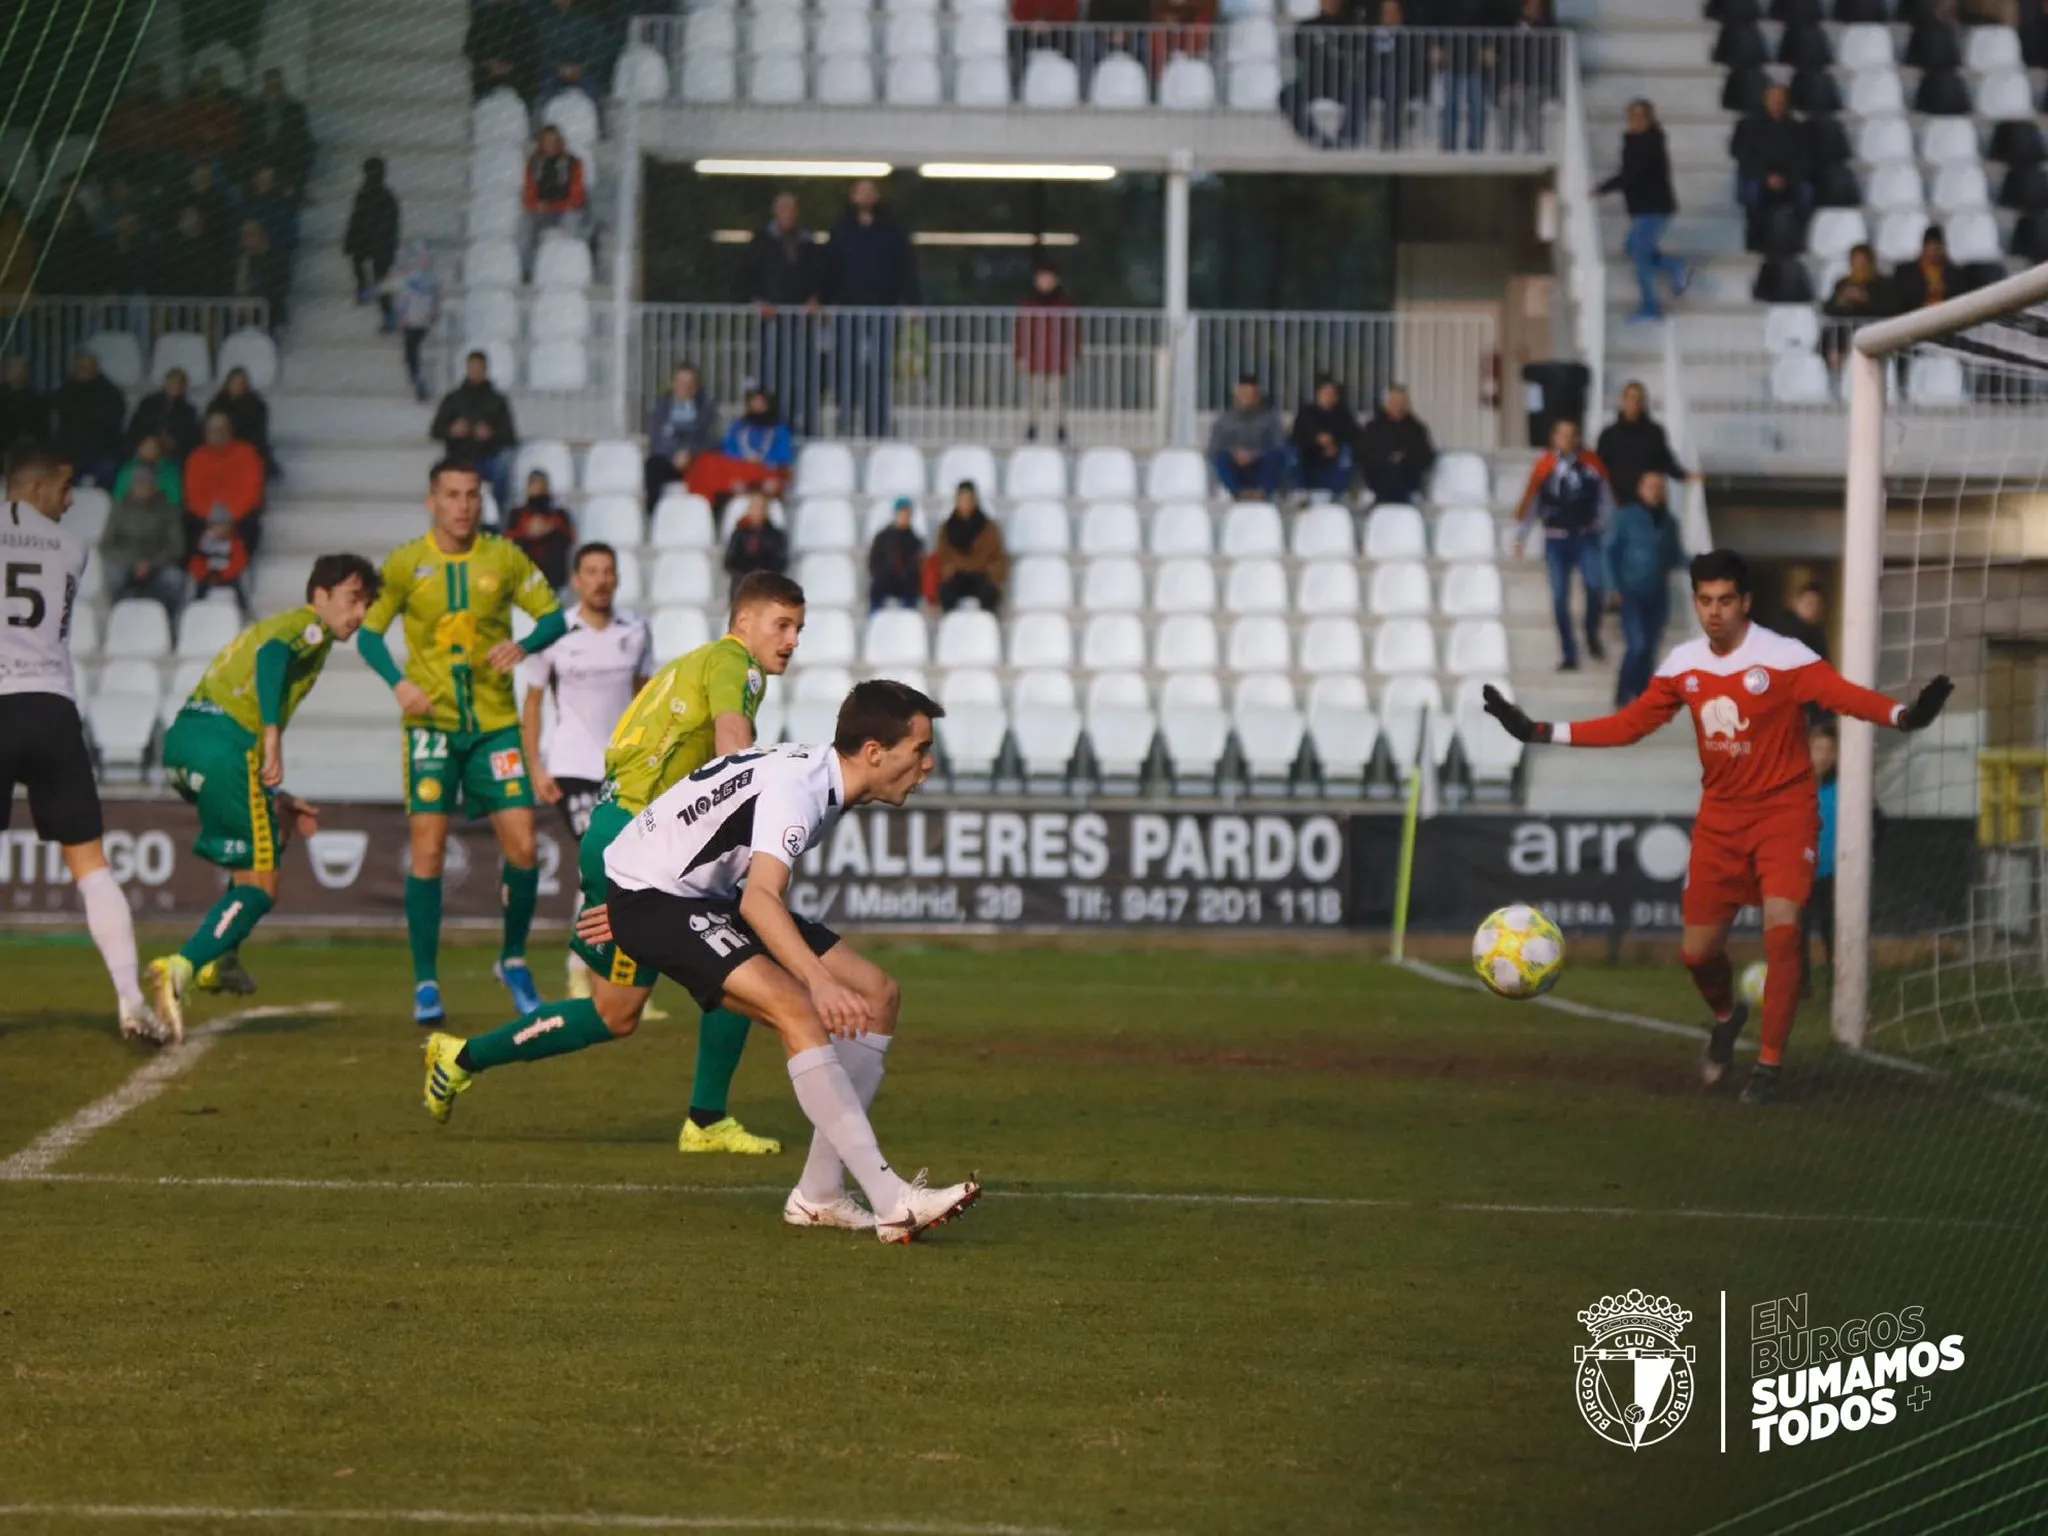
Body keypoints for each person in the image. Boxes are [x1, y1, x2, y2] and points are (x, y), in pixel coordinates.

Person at [440, 681, 983, 1242]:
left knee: (878, 994)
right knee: (796, 1005)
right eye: (919, 749)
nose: (928, 763)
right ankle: (891, 1199)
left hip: (680, 890)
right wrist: (816, 981)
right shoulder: (800, 790)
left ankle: (819, 1194)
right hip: (663, 897)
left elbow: (709, 830)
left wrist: (629, 887)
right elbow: (760, 899)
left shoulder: (816, 775)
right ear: (874, 752)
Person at [1481, 549, 1953, 1104]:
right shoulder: (1683, 664)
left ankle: (1770, 1066)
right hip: (1721, 821)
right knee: (1698, 954)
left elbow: (1842, 696)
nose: (1714, 612)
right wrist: (1537, 730)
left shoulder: (1783, 656)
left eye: (1725, 600)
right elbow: (1629, 725)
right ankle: (1728, 1018)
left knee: (1782, 929)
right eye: (1704, 600)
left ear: (1745, 603)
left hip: (1786, 813)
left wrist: (1905, 716)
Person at [422, 572, 809, 1160]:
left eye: (799, 629)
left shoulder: (694, 664)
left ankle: (460, 1056)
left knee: (616, 1012)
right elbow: (733, 738)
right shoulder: (738, 666)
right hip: (641, 848)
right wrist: (754, 815)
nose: (792, 640)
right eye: (782, 625)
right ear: (744, 622)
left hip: (620, 833)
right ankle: (708, 1117)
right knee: (743, 955)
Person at [356, 461, 569, 1026]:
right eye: (452, 495)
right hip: (430, 728)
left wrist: (522, 645)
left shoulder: (504, 557)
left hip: (495, 725)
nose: (463, 505)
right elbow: (370, 635)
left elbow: (553, 618)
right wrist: (398, 683)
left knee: (523, 847)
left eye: (472, 495)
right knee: (427, 852)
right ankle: (426, 979)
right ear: (433, 502)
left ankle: (513, 958)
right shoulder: (405, 564)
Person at [143, 555, 382, 1037]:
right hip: (226, 747)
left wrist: (279, 791)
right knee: (260, 887)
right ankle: (184, 965)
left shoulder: (288, 627)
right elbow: (272, 657)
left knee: (278, 824)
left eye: (368, 604)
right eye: (354, 599)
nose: (360, 614)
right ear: (321, 595)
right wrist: (272, 733)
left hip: (188, 743)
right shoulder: (307, 628)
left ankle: (221, 958)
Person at [0, 442, 168, 1042]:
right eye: (65, 487)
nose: (72, 500)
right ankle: (129, 1002)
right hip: (50, 707)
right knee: (91, 867)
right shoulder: (73, 550)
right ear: (38, 487)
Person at [516, 542, 652, 999]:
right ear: (577, 580)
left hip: (624, 769)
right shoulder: (554, 633)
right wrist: (535, 765)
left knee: (623, 870)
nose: (600, 579)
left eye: (607, 571)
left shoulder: (636, 630)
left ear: (616, 577)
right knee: (602, 864)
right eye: (591, 571)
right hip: (572, 767)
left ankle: (612, 978)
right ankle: (584, 971)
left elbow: (646, 697)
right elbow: (532, 704)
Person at [823, 179, 920, 438]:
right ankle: (845, 422)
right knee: (846, 367)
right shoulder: (842, 228)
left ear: (877, 196)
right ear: (853, 196)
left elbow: (906, 267)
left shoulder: (892, 229)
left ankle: (877, 423)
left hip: (883, 309)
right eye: (860, 192)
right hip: (847, 311)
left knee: (880, 368)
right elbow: (830, 267)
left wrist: (912, 303)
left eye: (870, 192)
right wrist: (825, 301)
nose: (865, 197)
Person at [1515, 417, 1613, 671]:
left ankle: (1592, 632)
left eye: (1572, 434)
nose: (1568, 440)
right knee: (1559, 598)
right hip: (1556, 540)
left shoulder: (1592, 465)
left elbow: (1606, 500)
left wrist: (1604, 528)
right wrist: (1521, 536)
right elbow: (1533, 502)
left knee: (1595, 587)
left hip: (1586, 536)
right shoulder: (1545, 465)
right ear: (1554, 438)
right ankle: (1569, 652)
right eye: (1562, 434)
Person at [1601, 469, 1686, 707]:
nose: (1656, 492)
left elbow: (1676, 555)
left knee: (1651, 646)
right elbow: (1609, 552)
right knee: (1636, 645)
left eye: (1660, 487)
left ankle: (1642, 696)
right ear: (1641, 489)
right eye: (1651, 486)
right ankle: (1622, 694)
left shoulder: (1669, 522)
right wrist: (1612, 587)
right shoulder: (1625, 517)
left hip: (1658, 592)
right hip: (1631, 591)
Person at [742, 193, 824, 437]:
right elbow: (747, 275)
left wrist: (815, 298)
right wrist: (759, 301)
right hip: (771, 320)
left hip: (803, 321)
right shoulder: (761, 240)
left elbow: (821, 275)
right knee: (771, 375)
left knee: (805, 375)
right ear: (775, 212)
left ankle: (806, 429)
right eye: (783, 209)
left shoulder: (808, 241)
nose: (787, 214)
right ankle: (772, 427)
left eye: (791, 209)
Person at [1599, 99, 1688, 323]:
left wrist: (1603, 188)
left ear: (1649, 118)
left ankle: (1651, 307)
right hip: (1642, 207)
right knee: (1633, 248)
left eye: (1640, 116)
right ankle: (1675, 266)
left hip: (1654, 206)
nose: (1635, 121)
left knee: (1640, 257)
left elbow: (1632, 174)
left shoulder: (1651, 142)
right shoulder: (1631, 140)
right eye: (1632, 116)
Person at [102, 441, 188, 616]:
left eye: (147, 483)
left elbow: (176, 546)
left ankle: (169, 624)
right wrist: (134, 562)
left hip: (158, 565)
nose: (143, 488)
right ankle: (118, 618)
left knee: (174, 579)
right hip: (127, 564)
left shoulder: (168, 509)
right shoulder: (120, 509)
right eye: (139, 483)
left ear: (154, 485)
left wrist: (150, 563)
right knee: (113, 575)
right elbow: (107, 545)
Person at [431, 351, 520, 514]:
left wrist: (490, 435)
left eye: (479, 368)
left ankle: (504, 522)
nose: (475, 371)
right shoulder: (453, 399)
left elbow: (510, 436)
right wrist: (452, 431)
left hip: (488, 458)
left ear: (485, 370)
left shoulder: (497, 400)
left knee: (503, 468)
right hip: (459, 459)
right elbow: (436, 430)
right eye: (472, 368)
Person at [1731, 84, 1814, 251]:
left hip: (1789, 180)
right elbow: (1740, 154)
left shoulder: (1799, 129)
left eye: (1781, 101)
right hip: (1758, 177)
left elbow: (1805, 159)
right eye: (1774, 101)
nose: (1777, 104)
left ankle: (1799, 242)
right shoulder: (1747, 125)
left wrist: (1786, 178)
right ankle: (1754, 242)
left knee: (1807, 192)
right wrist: (1766, 176)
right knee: (1752, 193)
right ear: (1765, 101)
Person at [1594, 381, 1691, 511]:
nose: (1634, 403)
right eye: (1630, 398)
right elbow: (1600, 469)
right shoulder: (1608, 435)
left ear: (1644, 403)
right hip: (1618, 505)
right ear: (1622, 401)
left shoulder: (1655, 432)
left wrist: (1685, 476)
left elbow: (1666, 461)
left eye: (1639, 399)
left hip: (1650, 504)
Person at [184, 410, 267, 558]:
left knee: (251, 526)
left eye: (221, 430)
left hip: (238, 518)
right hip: (206, 518)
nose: (217, 434)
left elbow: (251, 492)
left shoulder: (247, 454)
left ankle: (237, 574)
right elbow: (193, 494)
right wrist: (213, 521)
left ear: (230, 431)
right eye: (212, 430)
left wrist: (228, 521)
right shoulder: (196, 457)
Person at [1016, 260, 1079, 444]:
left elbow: (1073, 331)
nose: (1045, 282)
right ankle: (1032, 427)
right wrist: (1020, 354)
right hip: (1035, 358)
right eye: (1042, 279)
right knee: (1034, 395)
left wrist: (1074, 354)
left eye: (1049, 279)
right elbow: (1021, 331)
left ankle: (1060, 428)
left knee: (1057, 395)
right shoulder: (1029, 304)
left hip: (1056, 358)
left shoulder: (1064, 303)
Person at [642, 364, 720, 506]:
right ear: (673, 384)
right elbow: (656, 440)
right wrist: (674, 455)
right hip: (668, 460)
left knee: (713, 467)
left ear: (696, 386)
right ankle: (653, 514)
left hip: (695, 460)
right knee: (653, 466)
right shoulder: (661, 409)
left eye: (690, 383)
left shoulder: (706, 410)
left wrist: (690, 453)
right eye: (681, 383)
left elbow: (712, 440)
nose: (685, 387)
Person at [519, 125, 589, 278]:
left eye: (553, 140)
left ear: (559, 141)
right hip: (541, 211)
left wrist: (554, 205)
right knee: (524, 224)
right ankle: (528, 272)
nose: (549, 144)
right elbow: (528, 192)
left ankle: (569, 269)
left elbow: (577, 196)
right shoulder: (534, 163)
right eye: (546, 140)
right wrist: (536, 205)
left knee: (572, 219)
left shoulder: (573, 163)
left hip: (564, 210)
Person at [52, 352, 126, 488]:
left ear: (96, 368)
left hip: (101, 451)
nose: (83, 371)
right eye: (80, 367)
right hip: (70, 451)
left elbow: (111, 427)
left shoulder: (111, 393)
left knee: (108, 468)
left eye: (87, 367)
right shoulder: (67, 389)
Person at [1803, 720, 1839, 998]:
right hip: (1797, 873)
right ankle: (1800, 987)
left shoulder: (1847, 788)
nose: (1823, 755)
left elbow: (1876, 821)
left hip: (1833, 874)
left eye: (1829, 749)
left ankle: (1841, 985)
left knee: (1833, 930)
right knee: (1794, 932)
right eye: (1818, 748)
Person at [1207, 374, 1287, 498]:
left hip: (1261, 466)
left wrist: (1256, 454)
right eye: (1243, 395)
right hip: (1235, 467)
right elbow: (1213, 450)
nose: (1247, 399)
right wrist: (1234, 453)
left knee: (1275, 457)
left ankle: (1262, 492)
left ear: (1258, 397)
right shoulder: (1223, 421)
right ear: (1236, 396)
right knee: (1220, 458)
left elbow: (1280, 446)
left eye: (1251, 395)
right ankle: (1238, 493)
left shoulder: (1271, 420)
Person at [1357, 383, 1438, 504]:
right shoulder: (1373, 427)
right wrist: (1387, 459)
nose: (1397, 405)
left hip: (1407, 480)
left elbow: (1427, 457)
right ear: (1387, 403)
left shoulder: (1416, 428)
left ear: (1407, 403)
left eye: (1401, 401)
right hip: (1378, 479)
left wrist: (1405, 457)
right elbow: (1361, 453)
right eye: (1394, 401)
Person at [345, 157, 400, 328]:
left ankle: (389, 315)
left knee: (381, 279)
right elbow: (356, 218)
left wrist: (386, 244)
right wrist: (351, 238)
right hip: (368, 239)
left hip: (382, 243)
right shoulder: (363, 195)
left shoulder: (386, 197)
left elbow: (391, 224)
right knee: (358, 262)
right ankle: (363, 288)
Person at [1821, 244, 1893, 373]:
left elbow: (1888, 309)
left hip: (1871, 331)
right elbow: (1828, 309)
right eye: (1856, 262)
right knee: (1832, 330)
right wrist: (1841, 301)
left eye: (1863, 263)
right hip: (1845, 335)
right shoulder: (1843, 283)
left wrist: (1865, 300)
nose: (1859, 267)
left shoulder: (1882, 284)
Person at [242, 69, 314, 196]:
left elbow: (298, 138)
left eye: (277, 84)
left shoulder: (294, 109)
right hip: (258, 160)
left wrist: (277, 168)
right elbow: (249, 138)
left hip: (283, 161)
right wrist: (259, 166)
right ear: (265, 85)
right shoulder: (253, 109)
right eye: (270, 84)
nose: (274, 88)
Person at [713, 388, 795, 498]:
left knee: (773, 485)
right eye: (755, 402)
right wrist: (745, 459)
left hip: (769, 472)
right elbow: (728, 450)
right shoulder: (738, 427)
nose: (758, 406)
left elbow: (786, 454)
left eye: (762, 403)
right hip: (742, 471)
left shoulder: (780, 428)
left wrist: (764, 460)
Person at [389, 241, 442, 404]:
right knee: (412, 354)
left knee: (413, 354)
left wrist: (433, 313)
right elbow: (401, 299)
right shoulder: (413, 278)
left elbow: (434, 299)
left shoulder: (427, 279)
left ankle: (422, 384)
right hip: (414, 321)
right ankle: (420, 384)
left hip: (418, 321)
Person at [506, 469, 577, 588]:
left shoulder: (560, 514)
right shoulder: (517, 514)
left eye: (541, 484)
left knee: (558, 540)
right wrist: (528, 532)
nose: (538, 488)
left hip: (553, 577)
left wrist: (550, 527)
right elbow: (508, 538)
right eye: (534, 484)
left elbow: (571, 536)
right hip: (525, 576)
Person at [1290, 376, 1357, 498]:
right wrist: (1317, 441)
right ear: (1317, 395)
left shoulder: (1344, 416)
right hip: (1309, 455)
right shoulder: (1306, 414)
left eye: (1332, 394)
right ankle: (1300, 494)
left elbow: (1352, 436)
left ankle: (1338, 496)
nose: (1328, 397)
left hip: (1335, 457)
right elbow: (1296, 438)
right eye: (1325, 393)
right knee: (1293, 455)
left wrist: (1334, 445)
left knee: (1346, 455)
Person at [468, 0, 541, 101]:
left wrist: (511, 66)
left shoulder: (526, 16)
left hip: (519, 77)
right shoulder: (482, 13)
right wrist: (490, 65)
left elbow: (532, 48)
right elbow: (471, 47)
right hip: (488, 78)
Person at [126, 368, 203, 464]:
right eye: (173, 382)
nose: (176, 386)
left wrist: (173, 443)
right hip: (145, 448)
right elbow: (135, 428)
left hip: (173, 454)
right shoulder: (148, 404)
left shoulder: (189, 411)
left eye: (180, 384)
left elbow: (191, 439)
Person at [207, 367, 274, 474]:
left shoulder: (257, 406)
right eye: (235, 382)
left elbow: (258, 436)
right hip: (220, 451)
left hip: (248, 452)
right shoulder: (216, 404)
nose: (238, 386)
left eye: (242, 383)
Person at [188, 505, 252, 611]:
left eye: (224, 525)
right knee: (198, 589)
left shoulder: (235, 543)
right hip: (208, 577)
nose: (220, 529)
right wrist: (206, 575)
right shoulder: (204, 543)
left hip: (229, 577)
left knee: (240, 586)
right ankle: (195, 610)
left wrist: (222, 575)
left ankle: (244, 611)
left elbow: (239, 563)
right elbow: (197, 562)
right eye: (216, 526)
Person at [230, 219, 291, 328]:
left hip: (270, 316)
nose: (246, 239)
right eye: (244, 236)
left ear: (263, 235)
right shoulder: (240, 259)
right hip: (241, 317)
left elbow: (281, 289)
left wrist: (253, 303)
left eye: (251, 235)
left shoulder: (278, 258)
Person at [868, 497, 924, 611]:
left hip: (905, 581)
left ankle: (909, 615)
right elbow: (873, 562)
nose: (904, 516)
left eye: (907, 513)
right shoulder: (882, 537)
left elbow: (917, 565)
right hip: (885, 578)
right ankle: (874, 617)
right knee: (876, 586)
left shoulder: (915, 540)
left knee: (913, 585)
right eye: (902, 513)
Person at [1891, 225, 1960, 313]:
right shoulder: (1906, 273)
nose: (1933, 253)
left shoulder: (1954, 273)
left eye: (1937, 247)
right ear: (1924, 247)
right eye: (1930, 247)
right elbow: (1901, 301)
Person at [724, 492, 790, 582]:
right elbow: (729, 562)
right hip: (743, 582)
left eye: (761, 508)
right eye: (754, 507)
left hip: (767, 582)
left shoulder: (776, 535)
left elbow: (780, 562)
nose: (757, 511)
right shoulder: (739, 534)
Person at [0, 354, 50, 448]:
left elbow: (42, 430)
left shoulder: (36, 399)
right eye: (14, 368)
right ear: (6, 371)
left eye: (21, 368)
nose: (18, 373)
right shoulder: (2, 396)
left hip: (26, 452)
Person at [1779, 581, 1828, 661]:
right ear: (1796, 603)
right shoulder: (1785, 631)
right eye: (1809, 603)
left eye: (1818, 605)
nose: (1814, 609)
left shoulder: (1816, 634)